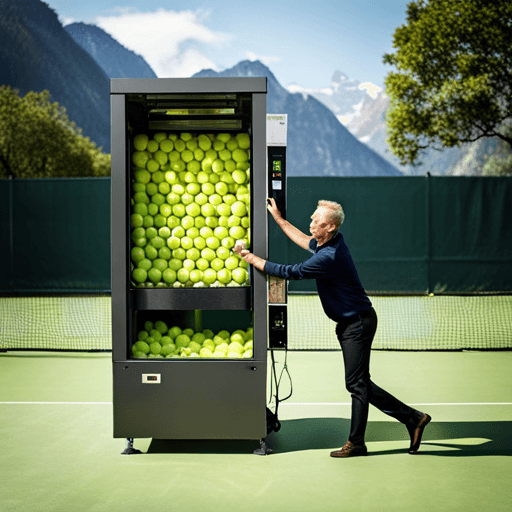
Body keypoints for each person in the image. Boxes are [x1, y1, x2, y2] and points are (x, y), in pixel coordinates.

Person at [234, 198, 431, 458]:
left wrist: (248, 257)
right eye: (313, 218)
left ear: (330, 227)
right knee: (360, 383)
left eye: (317, 221)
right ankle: (414, 418)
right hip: (353, 322)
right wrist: (280, 220)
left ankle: (359, 442)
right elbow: (305, 239)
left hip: (357, 323)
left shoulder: (329, 256)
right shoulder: (331, 241)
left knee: (357, 385)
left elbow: (288, 271)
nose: (311, 223)